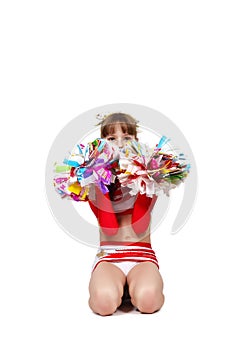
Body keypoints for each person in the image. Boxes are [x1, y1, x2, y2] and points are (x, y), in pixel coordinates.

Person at [87, 113, 165, 316]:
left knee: (149, 301)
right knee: (104, 304)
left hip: (141, 257)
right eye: (112, 138)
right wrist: (98, 182)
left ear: (137, 142)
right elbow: (110, 228)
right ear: (101, 144)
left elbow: (139, 225)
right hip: (110, 257)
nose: (120, 143)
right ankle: (117, 288)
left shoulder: (149, 177)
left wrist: (145, 178)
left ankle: (134, 288)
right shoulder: (91, 181)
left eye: (127, 137)